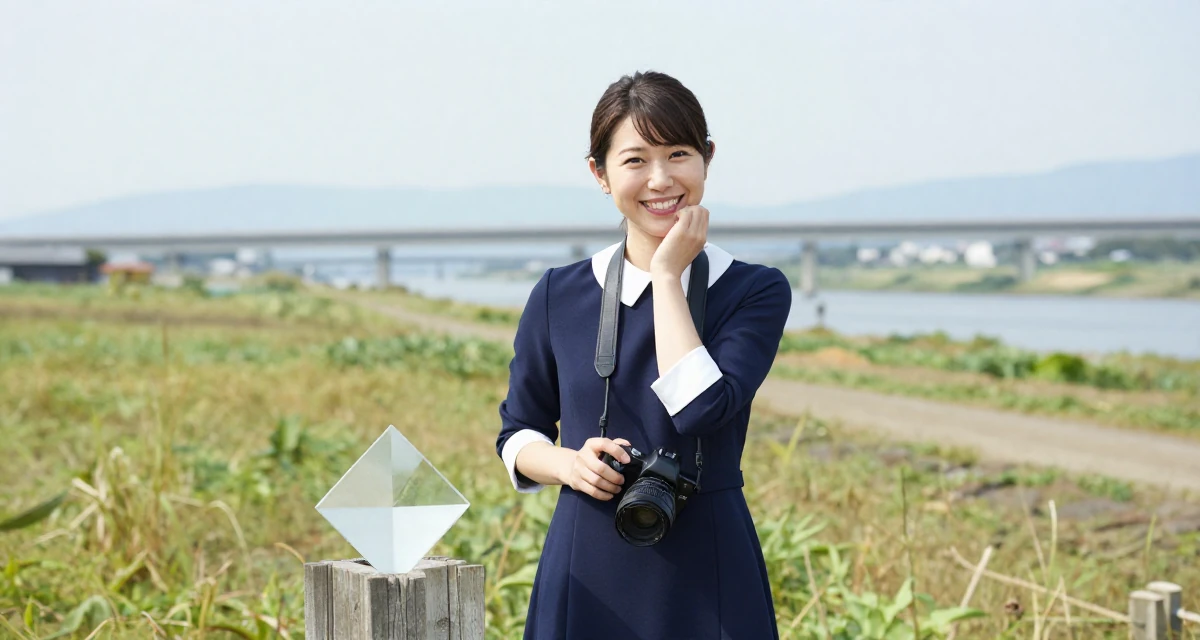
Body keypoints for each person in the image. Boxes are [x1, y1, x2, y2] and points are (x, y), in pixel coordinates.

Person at [495, 70, 792, 640]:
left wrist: (666, 276)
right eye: (635, 160)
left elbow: (701, 410)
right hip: (586, 559)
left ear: (707, 158)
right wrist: (569, 465)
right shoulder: (559, 293)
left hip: (710, 565)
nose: (660, 179)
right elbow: (518, 433)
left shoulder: (752, 290)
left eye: (678, 154)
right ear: (599, 174)